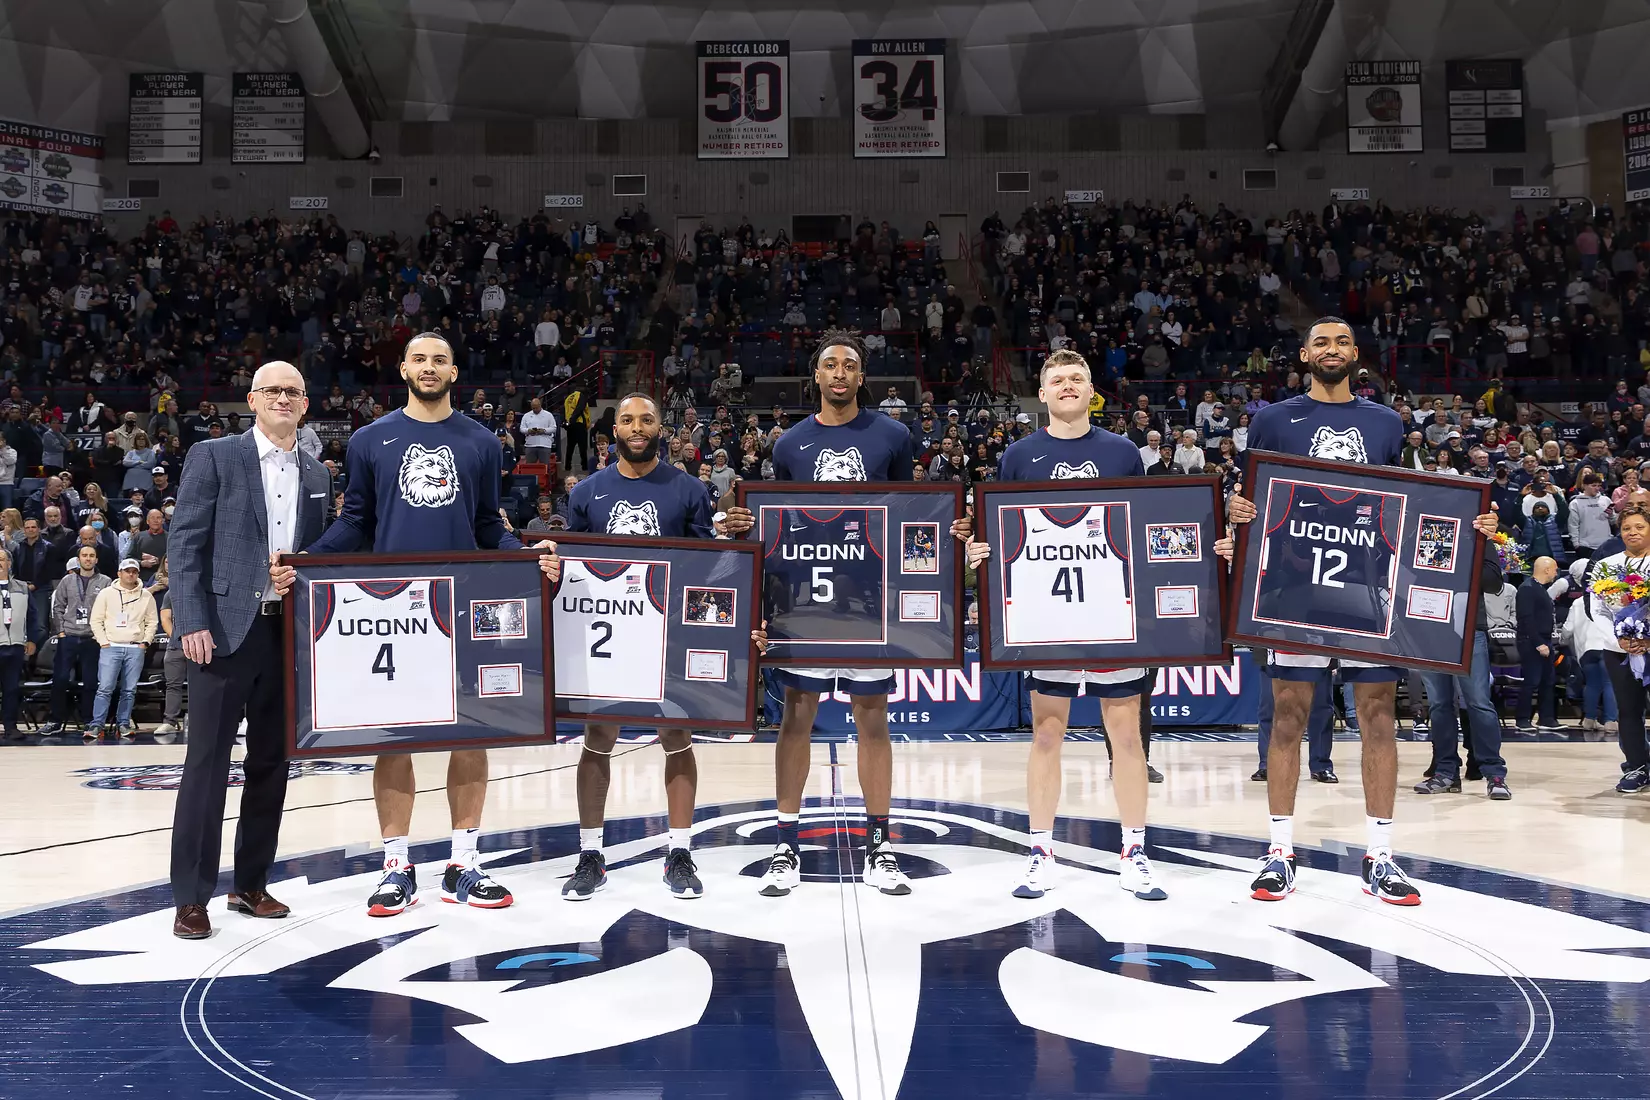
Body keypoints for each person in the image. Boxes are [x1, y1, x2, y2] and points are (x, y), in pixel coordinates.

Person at [1225, 317, 1497, 907]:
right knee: (1288, 716)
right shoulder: (1273, 419)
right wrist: (1238, 511)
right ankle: (1278, 852)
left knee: (1378, 715)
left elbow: (1406, 501)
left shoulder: (1385, 422)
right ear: (1303, 353)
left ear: (1356, 354)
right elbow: (1252, 495)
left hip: (1367, 589)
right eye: (1320, 341)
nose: (1330, 349)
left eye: (1341, 341)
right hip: (1295, 589)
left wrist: (1470, 528)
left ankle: (1381, 855)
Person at [293, 332, 557, 918]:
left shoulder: (483, 441)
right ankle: (396, 865)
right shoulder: (369, 440)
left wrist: (523, 554)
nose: (430, 367)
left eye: (440, 359)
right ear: (404, 367)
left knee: (471, 733)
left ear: (454, 371)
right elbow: (356, 523)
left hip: (463, 604)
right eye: (420, 358)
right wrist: (303, 563)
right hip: (394, 608)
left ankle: (464, 860)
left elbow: (489, 523)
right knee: (395, 733)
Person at [755, 328, 967, 898]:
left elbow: (908, 513)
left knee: (872, 717)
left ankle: (880, 843)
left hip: (870, 601)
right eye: (831, 365)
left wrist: (945, 533)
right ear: (816, 376)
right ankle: (786, 842)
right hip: (807, 603)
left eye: (850, 364)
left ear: (862, 375)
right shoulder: (789, 445)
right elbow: (777, 525)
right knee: (795, 715)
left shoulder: (893, 435)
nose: (841, 373)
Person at [966, 349, 1167, 902]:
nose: (1068, 386)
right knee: (1047, 733)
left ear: (1091, 390)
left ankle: (1134, 850)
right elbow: (999, 530)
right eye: (1058, 380)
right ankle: (1041, 851)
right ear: (1045, 392)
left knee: (1126, 734)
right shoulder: (1019, 455)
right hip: (1045, 615)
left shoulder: (1122, 451)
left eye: (1078, 378)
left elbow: (1145, 524)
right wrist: (983, 552)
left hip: (1111, 612)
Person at [555, 392, 765, 901]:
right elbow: (571, 569)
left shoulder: (689, 489)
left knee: (678, 737)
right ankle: (590, 855)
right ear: (614, 431)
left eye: (646, 419)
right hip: (608, 630)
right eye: (627, 419)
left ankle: (679, 851)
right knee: (597, 737)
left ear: (660, 429)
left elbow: (711, 570)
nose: (637, 427)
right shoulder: (586, 493)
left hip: (668, 634)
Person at [167, 361, 334, 940]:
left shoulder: (317, 473)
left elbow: (316, 553)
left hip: (284, 634)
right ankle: (191, 897)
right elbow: (184, 544)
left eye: (294, 391)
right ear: (253, 399)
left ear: (305, 405)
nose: (284, 398)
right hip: (220, 632)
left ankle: (251, 884)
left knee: (271, 765)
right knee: (206, 767)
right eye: (274, 390)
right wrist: (191, 620)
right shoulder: (215, 456)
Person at [1414, 538, 1510, 798]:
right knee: (1438, 704)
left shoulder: (1478, 538)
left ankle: (1494, 772)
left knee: (1479, 702)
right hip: (1428, 626)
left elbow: (1493, 582)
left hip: (1468, 629)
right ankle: (1446, 771)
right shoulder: (1419, 534)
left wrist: (1456, 560)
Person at [1591, 503, 1650, 792]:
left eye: (1639, 526)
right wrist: (1622, 641)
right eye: (1626, 528)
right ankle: (1636, 766)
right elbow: (1598, 611)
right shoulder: (1606, 565)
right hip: (1619, 651)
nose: (1632, 532)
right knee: (1628, 710)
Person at [86, 558, 158, 740]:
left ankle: (123, 724)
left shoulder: (146, 596)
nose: (131, 574)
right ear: (119, 573)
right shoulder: (106, 593)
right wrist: (103, 642)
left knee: (129, 690)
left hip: (135, 648)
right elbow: (96, 620)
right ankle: (97, 725)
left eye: (134, 571)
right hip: (111, 646)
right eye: (127, 571)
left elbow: (152, 622)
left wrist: (145, 642)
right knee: (105, 688)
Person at [41, 546, 107, 736]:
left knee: (90, 682)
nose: (88, 559)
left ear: (96, 559)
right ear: (78, 559)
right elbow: (58, 607)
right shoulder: (67, 580)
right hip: (69, 636)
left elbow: (109, 610)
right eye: (84, 556)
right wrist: (61, 631)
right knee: (60, 680)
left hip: (92, 638)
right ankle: (55, 721)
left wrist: (100, 633)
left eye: (91, 556)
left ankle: (89, 721)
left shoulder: (105, 582)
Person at [1253, 653, 1337, 783]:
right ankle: (1267, 763)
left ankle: (1321, 765)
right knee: (1270, 706)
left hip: (1317, 646)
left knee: (1321, 707)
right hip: (1273, 646)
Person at [0, 547, 33, 738]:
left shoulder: (22, 587)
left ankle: (10, 727)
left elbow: (34, 617)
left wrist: (33, 639)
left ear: (9, 563)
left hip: (16, 646)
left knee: (12, 689)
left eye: (2, 559)